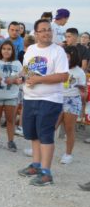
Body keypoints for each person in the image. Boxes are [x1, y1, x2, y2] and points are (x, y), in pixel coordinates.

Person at [18, 19, 68, 186]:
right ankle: (36, 165)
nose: (47, 33)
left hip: (50, 99)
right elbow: (26, 70)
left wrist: (40, 80)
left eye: (49, 30)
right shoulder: (31, 49)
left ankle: (46, 173)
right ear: (36, 33)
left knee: (45, 134)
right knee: (33, 133)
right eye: (43, 30)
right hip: (30, 98)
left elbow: (63, 76)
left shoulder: (58, 51)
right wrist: (20, 77)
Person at [0, 40, 22, 152]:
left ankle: (11, 141)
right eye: (4, 49)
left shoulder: (17, 63)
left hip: (11, 95)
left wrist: (15, 81)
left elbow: (21, 79)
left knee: (10, 119)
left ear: (13, 51)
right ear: (0, 50)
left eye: (9, 49)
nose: (6, 51)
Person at [56, 46, 87, 164]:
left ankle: (68, 154)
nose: (64, 58)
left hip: (72, 100)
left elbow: (83, 93)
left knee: (69, 129)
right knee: (50, 126)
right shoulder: (59, 68)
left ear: (73, 57)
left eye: (67, 56)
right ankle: (39, 149)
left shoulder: (79, 72)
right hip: (58, 98)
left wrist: (83, 91)